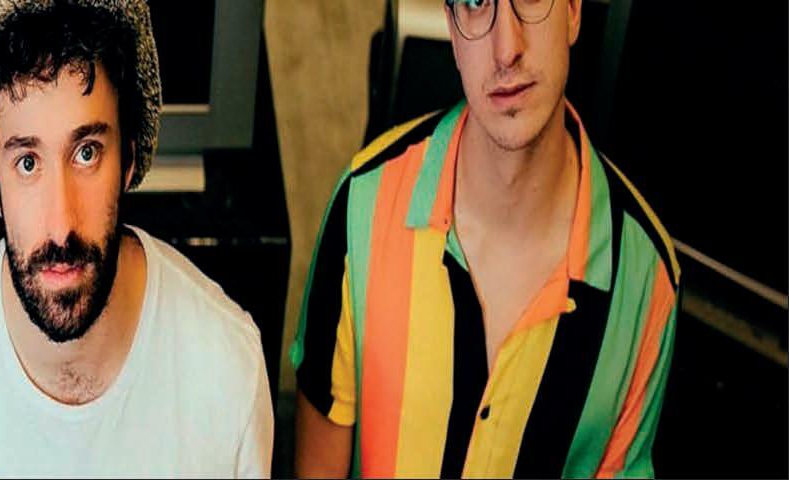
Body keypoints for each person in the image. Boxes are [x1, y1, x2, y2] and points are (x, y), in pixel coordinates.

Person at [0, 0, 273, 477]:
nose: (61, 225)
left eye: (87, 153)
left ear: (129, 160)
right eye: (28, 163)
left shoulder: (227, 367)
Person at [291, 0, 679, 477]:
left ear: (574, 11)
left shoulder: (647, 280)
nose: (506, 48)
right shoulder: (361, 205)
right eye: (476, 3)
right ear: (453, 33)